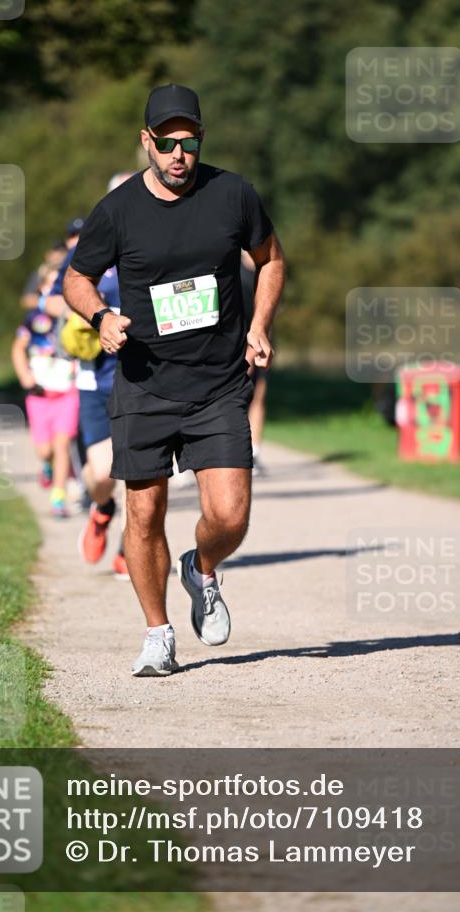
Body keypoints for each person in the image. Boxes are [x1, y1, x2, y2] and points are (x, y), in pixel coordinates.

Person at [63, 84, 285, 676]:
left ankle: (201, 568)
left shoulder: (233, 194)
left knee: (231, 516)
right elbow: (76, 279)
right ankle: (157, 633)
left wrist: (259, 325)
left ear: (201, 140)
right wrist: (102, 317)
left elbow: (270, 259)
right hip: (145, 382)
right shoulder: (118, 210)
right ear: (146, 142)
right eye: (165, 143)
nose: (178, 154)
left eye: (188, 142)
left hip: (218, 382)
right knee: (143, 514)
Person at [46, 176, 135, 577]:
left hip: (145, 376)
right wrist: (90, 314)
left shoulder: (158, 240)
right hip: (95, 377)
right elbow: (53, 299)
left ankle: (130, 549)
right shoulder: (92, 243)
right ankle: (102, 508)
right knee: (101, 474)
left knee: (140, 472)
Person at [11, 266, 80, 517]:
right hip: (39, 394)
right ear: (41, 289)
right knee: (45, 450)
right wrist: (25, 376)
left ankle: (58, 498)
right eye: (51, 285)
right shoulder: (33, 318)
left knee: (62, 445)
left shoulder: (75, 316)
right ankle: (48, 466)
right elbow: (18, 348)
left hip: (67, 392)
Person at [241, 249, 269, 475]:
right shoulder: (232, 266)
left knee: (258, 395)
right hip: (236, 340)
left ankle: (254, 452)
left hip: (260, 337)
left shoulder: (267, 266)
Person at [20, 241, 67, 310]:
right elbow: (25, 300)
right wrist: (44, 302)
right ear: (47, 255)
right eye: (55, 252)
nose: (58, 256)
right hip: (41, 314)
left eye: (62, 252)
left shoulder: (67, 274)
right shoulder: (38, 274)